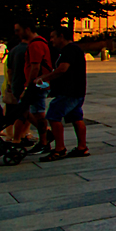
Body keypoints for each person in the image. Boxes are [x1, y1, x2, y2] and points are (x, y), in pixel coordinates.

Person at [33, 26, 89, 161]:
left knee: (53, 116)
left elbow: (62, 69)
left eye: (53, 36)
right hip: (76, 90)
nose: (51, 40)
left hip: (69, 91)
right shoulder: (74, 49)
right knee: (76, 117)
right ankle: (82, 147)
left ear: (61, 36)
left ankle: (59, 149)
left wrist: (43, 78)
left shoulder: (69, 50)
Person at [15, 19, 53, 155]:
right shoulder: (39, 42)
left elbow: (35, 66)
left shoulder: (35, 44)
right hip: (40, 83)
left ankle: (44, 140)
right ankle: (45, 137)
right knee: (27, 110)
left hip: (37, 84)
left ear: (27, 29)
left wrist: (27, 87)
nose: (17, 33)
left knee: (37, 113)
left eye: (18, 30)